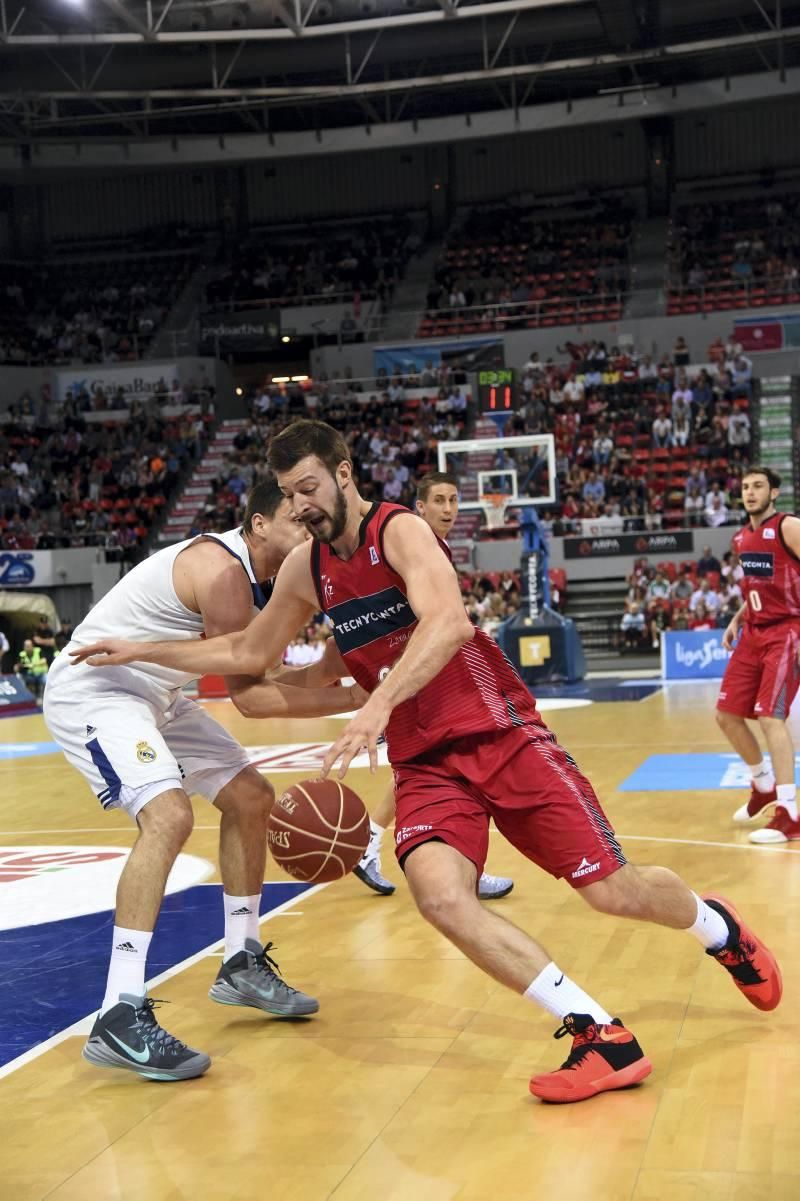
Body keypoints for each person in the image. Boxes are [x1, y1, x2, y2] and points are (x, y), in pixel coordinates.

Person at [72, 421, 782, 1106]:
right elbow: (246, 655)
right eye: (290, 494)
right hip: (427, 766)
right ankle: (599, 1034)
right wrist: (144, 650)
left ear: (344, 473)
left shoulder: (400, 530)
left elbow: (449, 623)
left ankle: (717, 928)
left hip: (501, 735)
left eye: (310, 486)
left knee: (614, 892)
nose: (301, 505)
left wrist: (375, 705)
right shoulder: (305, 567)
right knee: (441, 896)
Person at [46, 480, 362, 1082]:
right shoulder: (224, 574)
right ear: (261, 524)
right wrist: (346, 696)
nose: (308, 531)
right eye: (296, 521)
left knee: (252, 796)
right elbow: (252, 699)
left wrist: (332, 679)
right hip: (99, 688)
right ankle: (117, 1010)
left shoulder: (266, 583)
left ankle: (241, 960)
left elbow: (265, 682)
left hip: (157, 692)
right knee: (168, 817)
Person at [353, 470, 514, 901]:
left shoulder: (432, 545)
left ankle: (376, 843)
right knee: (462, 766)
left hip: (428, 674)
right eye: (439, 501)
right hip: (418, 677)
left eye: (454, 500)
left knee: (434, 771)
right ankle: (379, 843)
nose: (448, 509)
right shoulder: (408, 542)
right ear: (419, 507)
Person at [717, 466, 800, 843]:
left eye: (758, 486)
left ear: (775, 493)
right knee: (727, 715)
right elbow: (756, 586)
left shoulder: (789, 527)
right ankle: (763, 785)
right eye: (746, 487)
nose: (750, 493)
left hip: (787, 630)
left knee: (771, 718)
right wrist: (737, 617)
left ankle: (789, 812)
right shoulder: (740, 537)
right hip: (753, 631)